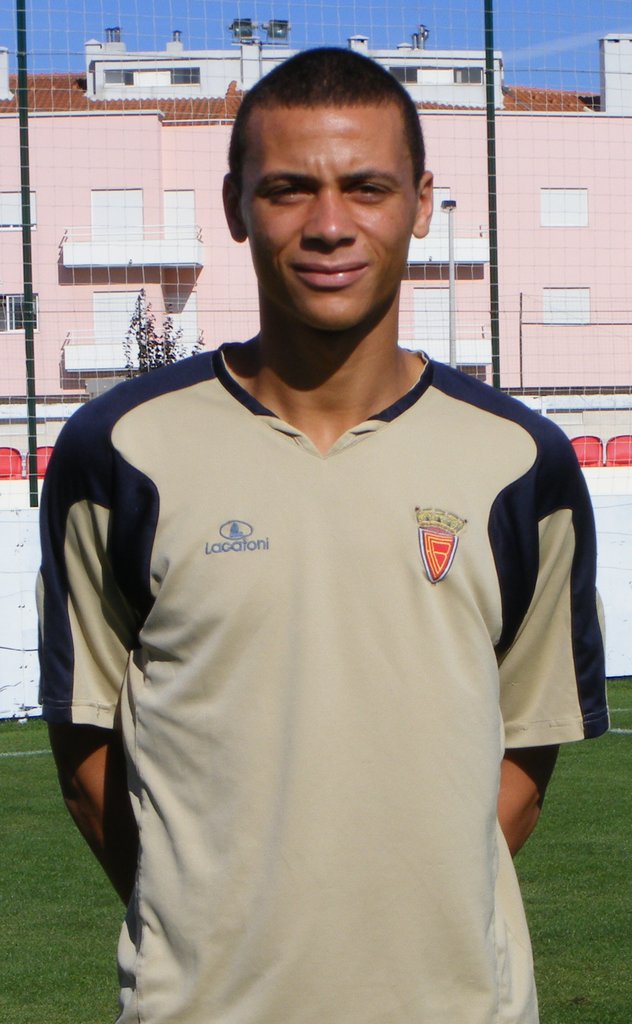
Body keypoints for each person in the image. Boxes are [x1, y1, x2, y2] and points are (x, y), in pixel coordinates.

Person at [38, 47, 608, 1024]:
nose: (329, 224)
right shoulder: (116, 450)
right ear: (235, 205)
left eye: (366, 187)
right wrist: (204, 933)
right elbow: (88, 757)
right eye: (289, 189)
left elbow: (525, 754)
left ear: (421, 204)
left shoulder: (522, 463)